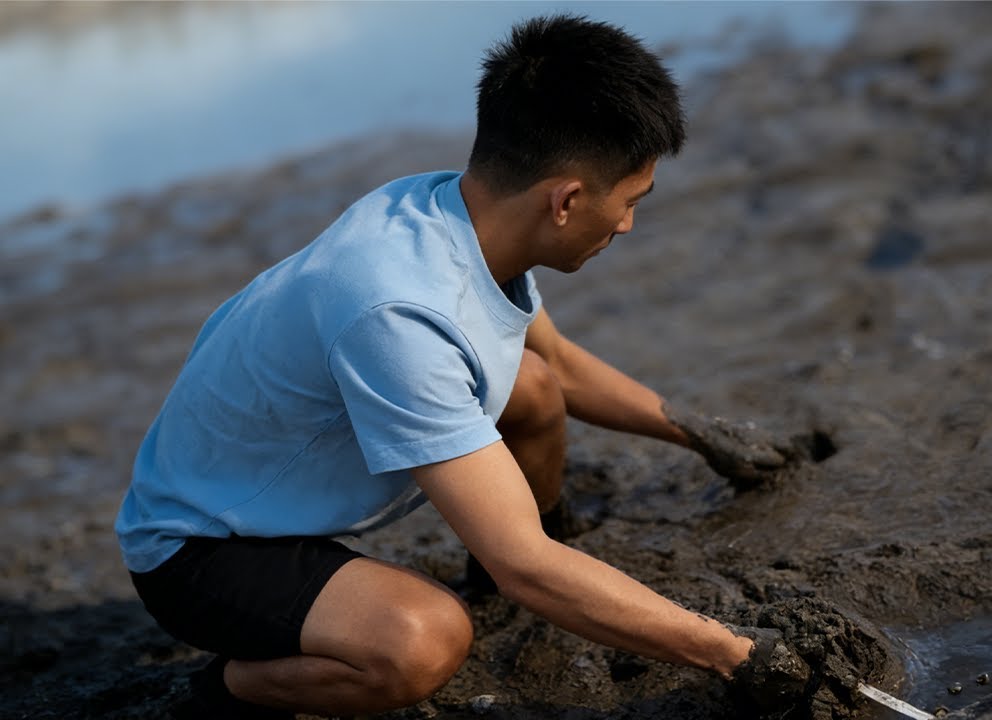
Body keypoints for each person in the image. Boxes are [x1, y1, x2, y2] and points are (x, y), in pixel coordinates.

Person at [115, 15, 807, 719]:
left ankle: (524, 577)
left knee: (532, 386)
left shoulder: (456, 209)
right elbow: (524, 565)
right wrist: (733, 654)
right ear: (565, 201)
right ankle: (223, 692)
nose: (626, 226)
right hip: (202, 547)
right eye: (629, 202)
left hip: (266, 485)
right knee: (422, 642)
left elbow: (557, 365)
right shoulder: (399, 309)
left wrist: (695, 431)